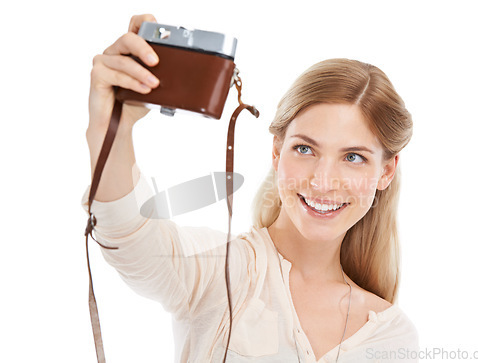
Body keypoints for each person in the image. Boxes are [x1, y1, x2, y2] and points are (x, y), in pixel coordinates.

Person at [82, 13, 419, 363]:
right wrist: (111, 129)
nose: (321, 181)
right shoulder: (221, 273)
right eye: (305, 149)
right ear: (276, 152)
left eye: (352, 157)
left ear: (386, 171)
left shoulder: (392, 335)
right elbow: (133, 241)